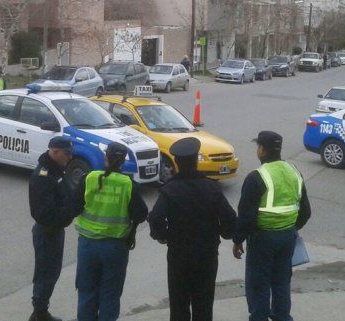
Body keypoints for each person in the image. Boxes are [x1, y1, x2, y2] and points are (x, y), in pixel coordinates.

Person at [148, 138, 236, 321]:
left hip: (178, 256)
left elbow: (155, 217)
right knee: (203, 304)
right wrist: (222, 232)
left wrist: (163, 236)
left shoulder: (170, 189)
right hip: (206, 255)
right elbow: (230, 220)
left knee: (179, 304)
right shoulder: (211, 188)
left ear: (177, 164)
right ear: (196, 161)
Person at [233, 131, 311, 321]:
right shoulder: (294, 172)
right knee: (281, 282)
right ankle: (282, 317)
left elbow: (246, 217)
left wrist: (238, 241)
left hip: (263, 239)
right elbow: (306, 212)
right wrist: (290, 229)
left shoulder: (257, 177)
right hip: (287, 238)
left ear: (262, 150)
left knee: (258, 284)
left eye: (257, 146)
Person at [73, 142, 148, 321]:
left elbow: (74, 207)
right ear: (123, 161)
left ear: (106, 158)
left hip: (88, 245)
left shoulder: (90, 178)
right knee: (110, 296)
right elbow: (141, 213)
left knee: (86, 293)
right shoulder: (128, 184)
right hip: (115, 247)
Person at [29, 137, 76, 321]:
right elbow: (44, 214)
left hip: (55, 230)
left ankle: (40, 311)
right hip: (47, 231)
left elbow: (64, 195)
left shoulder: (56, 171)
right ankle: (39, 312)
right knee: (45, 273)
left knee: (52, 272)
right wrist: (70, 212)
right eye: (67, 153)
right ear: (54, 151)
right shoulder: (43, 176)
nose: (70, 158)